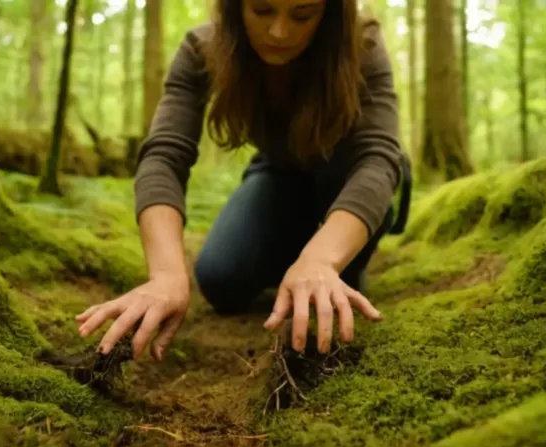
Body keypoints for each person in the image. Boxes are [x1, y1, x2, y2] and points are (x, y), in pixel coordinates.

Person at [75, 0, 411, 363]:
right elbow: (164, 156)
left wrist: (322, 260)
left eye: (302, 15)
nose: (279, 31)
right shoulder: (201, 49)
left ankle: (337, 264)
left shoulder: (363, 45)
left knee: (345, 185)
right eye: (262, 10)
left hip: (349, 177)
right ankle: (301, 264)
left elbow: (378, 159)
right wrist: (165, 274)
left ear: (328, 13)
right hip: (281, 176)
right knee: (221, 277)